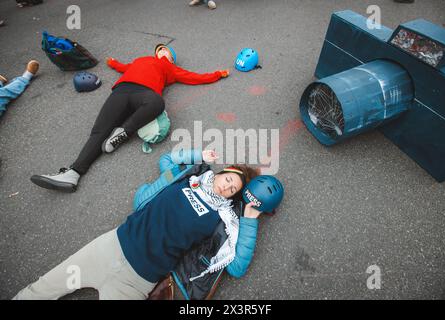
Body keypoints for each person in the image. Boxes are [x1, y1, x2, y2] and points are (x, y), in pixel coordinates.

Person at [14, 149, 262, 300]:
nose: (227, 187)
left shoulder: (222, 218)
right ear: (221, 171)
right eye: (229, 179)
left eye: (232, 190)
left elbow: (237, 267)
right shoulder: (189, 176)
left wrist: (249, 221)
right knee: (39, 291)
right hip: (108, 247)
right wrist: (198, 155)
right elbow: (166, 160)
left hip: (136, 281)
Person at [30, 44, 230, 192]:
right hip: (121, 91)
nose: (162, 50)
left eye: (167, 51)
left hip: (145, 95)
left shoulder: (171, 69)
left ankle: (123, 133)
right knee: (99, 131)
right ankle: (73, 173)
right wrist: (112, 62)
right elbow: (123, 67)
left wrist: (217, 74)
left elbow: (195, 77)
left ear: (170, 58)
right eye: (160, 49)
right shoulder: (140, 60)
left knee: (158, 103)